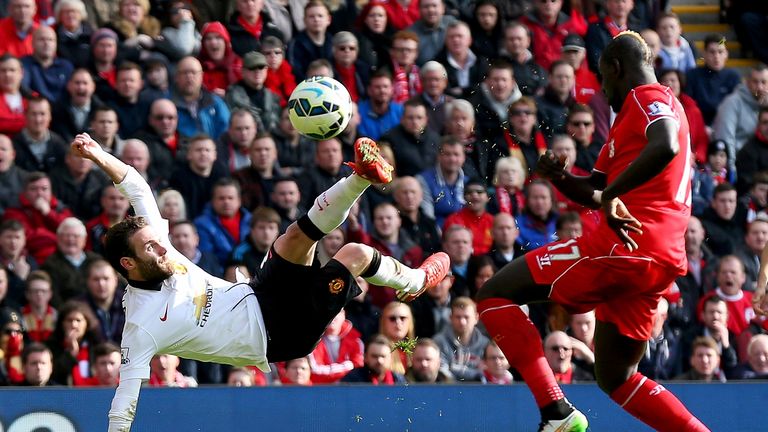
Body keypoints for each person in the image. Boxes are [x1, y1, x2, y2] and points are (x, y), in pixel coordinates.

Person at [70, 133, 448, 429]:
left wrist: (95, 154)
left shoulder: (161, 251)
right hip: (279, 334)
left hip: (258, 292)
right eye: (150, 248)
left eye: (157, 240)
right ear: (128, 264)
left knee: (293, 239)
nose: (162, 247)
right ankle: (414, 282)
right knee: (355, 255)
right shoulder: (140, 325)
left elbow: (137, 186)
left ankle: (361, 177)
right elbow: (125, 401)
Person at [476, 32, 710, 432]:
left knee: (494, 295)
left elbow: (666, 145)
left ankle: (556, 411)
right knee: (616, 377)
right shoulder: (626, 126)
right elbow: (595, 189)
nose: (603, 90)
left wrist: (611, 196)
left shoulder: (648, 98)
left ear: (617, 69)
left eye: (604, 78)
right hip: (657, 261)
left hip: (626, 246)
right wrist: (559, 177)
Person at [3, 172, 74, 264]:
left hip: (65, 257)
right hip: (30, 260)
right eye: (33, 189)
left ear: (51, 191)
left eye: (44, 189)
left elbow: (71, 230)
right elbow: (29, 238)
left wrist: (49, 214)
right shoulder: (14, 211)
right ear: (25, 192)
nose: (39, 193)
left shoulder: (60, 209)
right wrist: (61, 239)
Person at [41, 217, 101, 305]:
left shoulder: (96, 261)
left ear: (84, 240)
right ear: (58, 238)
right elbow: (53, 298)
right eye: (66, 235)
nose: (71, 239)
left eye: (76, 236)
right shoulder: (50, 265)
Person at [685, 34, 741, 125]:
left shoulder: (733, 76)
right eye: (712, 52)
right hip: (699, 124)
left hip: (726, 124)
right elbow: (688, 104)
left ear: (726, 54)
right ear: (704, 54)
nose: (716, 56)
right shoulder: (692, 75)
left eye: (720, 52)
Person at [433, 296, 489, 381]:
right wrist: (476, 374)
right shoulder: (438, 342)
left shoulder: (486, 344)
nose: (462, 322)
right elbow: (443, 374)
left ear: (476, 318)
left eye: (466, 317)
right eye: (458, 317)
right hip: (450, 391)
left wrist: (453, 368)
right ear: (450, 318)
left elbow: (489, 373)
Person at [307, 309, 364, 383]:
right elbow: (315, 372)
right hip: (319, 389)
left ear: (343, 315)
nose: (332, 315)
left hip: (348, 389)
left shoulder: (356, 341)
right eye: (328, 311)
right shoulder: (310, 340)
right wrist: (347, 365)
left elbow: (358, 369)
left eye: (337, 311)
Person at [21, 26, 74, 102]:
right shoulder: (24, 64)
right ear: (32, 43)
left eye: (50, 40)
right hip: (35, 109)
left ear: (56, 44)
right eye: (41, 39)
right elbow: (24, 89)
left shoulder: (66, 66)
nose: (46, 43)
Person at [443, 179, 493, 255]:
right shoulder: (453, 220)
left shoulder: (493, 221)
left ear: (487, 198)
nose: (474, 195)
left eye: (479, 192)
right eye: (469, 192)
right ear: (464, 197)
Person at [340, 333, 406, 384]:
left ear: (391, 358)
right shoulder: (352, 381)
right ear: (365, 357)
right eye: (374, 356)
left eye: (383, 356)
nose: (379, 360)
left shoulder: (399, 381)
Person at [20, 270, 57, 343]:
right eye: (35, 291)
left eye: (43, 291)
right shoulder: (18, 316)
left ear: (50, 294)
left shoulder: (58, 317)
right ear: (27, 294)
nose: (39, 294)